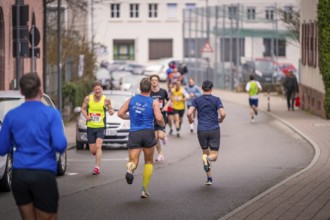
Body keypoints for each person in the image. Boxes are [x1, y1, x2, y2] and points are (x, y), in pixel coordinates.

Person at [0, 73, 67, 220]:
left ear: (22, 92)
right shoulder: (52, 114)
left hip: (20, 175)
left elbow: (3, 148)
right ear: (40, 90)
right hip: (44, 174)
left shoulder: (11, 116)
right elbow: (61, 145)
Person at [118, 78, 165, 198]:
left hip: (135, 133)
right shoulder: (153, 102)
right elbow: (159, 118)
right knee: (149, 162)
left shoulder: (132, 100)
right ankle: (144, 189)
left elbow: (120, 113)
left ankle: (130, 168)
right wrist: (163, 125)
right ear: (150, 89)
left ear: (140, 88)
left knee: (133, 160)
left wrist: (130, 117)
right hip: (148, 132)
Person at [187, 80, 226, 185]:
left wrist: (190, 120)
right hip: (214, 129)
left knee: (205, 154)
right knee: (214, 155)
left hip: (202, 130)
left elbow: (189, 112)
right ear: (212, 88)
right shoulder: (216, 100)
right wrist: (221, 120)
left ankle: (209, 179)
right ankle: (208, 159)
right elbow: (223, 113)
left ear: (201, 87)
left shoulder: (197, 100)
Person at [81, 81, 114, 175]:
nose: (97, 91)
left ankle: (96, 167)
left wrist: (111, 111)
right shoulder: (88, 98)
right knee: (93, 150)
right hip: (91, 127)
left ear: (102, 89)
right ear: (93, 90)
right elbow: (83, 108)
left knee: (98, 146)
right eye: (95, 89)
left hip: (101, 126)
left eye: (99, 89)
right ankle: (96, 154)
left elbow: (110, 109)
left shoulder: (106, 100)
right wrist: (87, 117)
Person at [150, 74, 169, 161]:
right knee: (155, 137)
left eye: (156, 80)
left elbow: (169, 100)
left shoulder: (163, 91)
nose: (154, 81)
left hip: (161, 117)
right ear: (150, 82)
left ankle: (164, 136)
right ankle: (160, 154)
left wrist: (166, 107)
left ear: (158, 82)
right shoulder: (149, 92)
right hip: (151, 117)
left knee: (160, 135)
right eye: (152, 80)